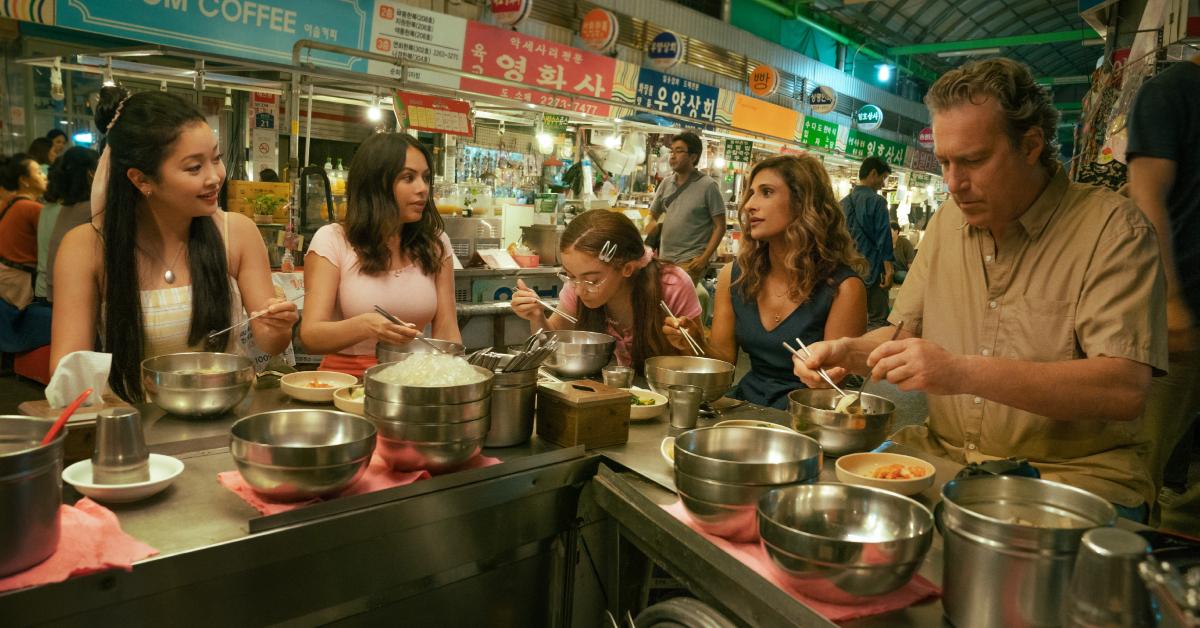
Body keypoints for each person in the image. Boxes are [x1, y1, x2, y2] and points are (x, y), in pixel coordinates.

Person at [793, 58, 1167, 522]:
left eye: (973, 161)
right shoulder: (947, 222)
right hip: (943, 457)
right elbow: (903, 335)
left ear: (1030, 146)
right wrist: (849, 350)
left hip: (1068, 477)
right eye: (946, 162)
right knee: (819, 507)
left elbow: (1123, 389)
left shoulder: (1112, 230)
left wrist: (962, 372)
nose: (954, 183)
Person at [51, 86, 298, 402]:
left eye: (216, 158)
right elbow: (67, 370)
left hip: (224, 414)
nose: (214, 177)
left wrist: (278, 326)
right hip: (131, 424)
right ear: (141, 179)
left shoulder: (237, 233)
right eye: (194, 167)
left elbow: (268, 341)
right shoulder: (86, 248)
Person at [663, 154, 866, 409]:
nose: (749, 205)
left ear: (803, 203)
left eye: (766, 192)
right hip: (744, 406)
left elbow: (831, 387)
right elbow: (723, 366)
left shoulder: (843, 288)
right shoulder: (734, 276)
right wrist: (692, 342)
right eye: (751, 193)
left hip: (806, 417)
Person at [299, 132, 460, 377]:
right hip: (344, 382)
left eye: (426, 178)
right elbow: (311, 336)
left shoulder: (435, 242)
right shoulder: (333, 240)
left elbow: (447, 328)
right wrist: (367, 325)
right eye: (408, 178)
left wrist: (455, 378)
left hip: (413, 378)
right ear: (375, 183)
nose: (422, 189)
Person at [1126, 52, 1200, 529]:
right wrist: (1170, 303)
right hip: (1180, 319)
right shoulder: (1171, 91)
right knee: (1144, 466)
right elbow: (1146, 198)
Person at [510, 208, 700, 372]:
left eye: (592, 280)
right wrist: (537, 316)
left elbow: (702, 360)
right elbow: (552, 343)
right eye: (570, 275)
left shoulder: (671, 285)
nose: (579, 290)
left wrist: (687, 341)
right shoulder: (577, 284)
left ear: (627, 268)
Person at [643, 132, 726, 283]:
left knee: (674, 303)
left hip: (691, 260)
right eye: (671, 150)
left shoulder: (708, 186)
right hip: (665, 258)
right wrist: (649, 223)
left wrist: (704, 258)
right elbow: (652, 214)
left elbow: (720, 226)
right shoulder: (666, 183)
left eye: (679, 151)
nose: (672, 156)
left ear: (693, 157)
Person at [0, 153, 49, 352]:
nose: (45, 176)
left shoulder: (7, 203)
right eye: (38, 172)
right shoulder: (33, 209)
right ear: (24, 180)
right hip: (18, 282)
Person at [39, 147, 99, 304]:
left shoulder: (65, 208)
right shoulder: (94, 208)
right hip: (77, 295)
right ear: (91, 174)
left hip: (55, 291)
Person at [841, 156, 894, 329]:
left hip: (848, 271)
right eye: (883, 178)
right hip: (873, 270)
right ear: (873, 174)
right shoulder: (878, 202)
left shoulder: (843, 203)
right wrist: (889, 269)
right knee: (877, 320)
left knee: (849, 318)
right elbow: (883, 238)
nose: (883, 184)